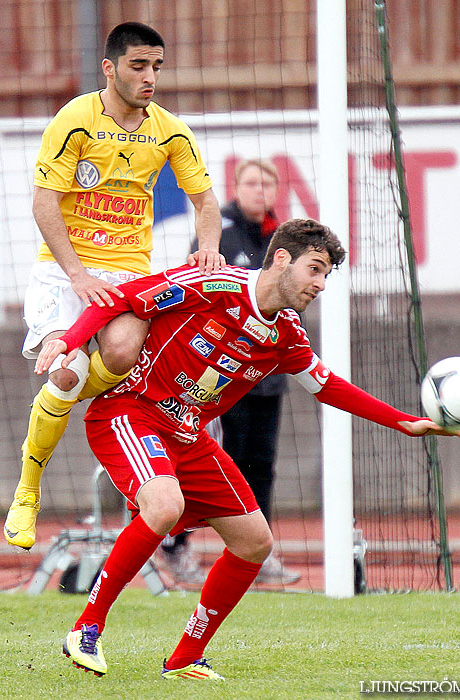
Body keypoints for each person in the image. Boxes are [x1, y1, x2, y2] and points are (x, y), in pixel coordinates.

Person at [35, 218, 460, 680]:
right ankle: (86, 629)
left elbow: (327, 387)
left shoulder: (286, 335)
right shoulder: (214, 284)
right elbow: (122, 299)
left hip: (186, 434)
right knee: (163, 506)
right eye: (314, 269)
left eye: (326, 276)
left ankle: (184, 659)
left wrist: (403, 422)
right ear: (281, 258)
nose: (319, 284)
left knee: (255, 541)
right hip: (130, 411)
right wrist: (68, 338)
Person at [3, 21, 224, 550]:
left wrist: (210, 247)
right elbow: (43, 203)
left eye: (157, 68)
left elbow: (207, 203)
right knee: (66, 370)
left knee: (122, 354)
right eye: (138, 66)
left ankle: (73, 396)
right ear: (110, 67)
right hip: (65, 270)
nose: (150, 78)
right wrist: (78, 274)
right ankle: (28, 489)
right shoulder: (75, 119)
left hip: (129, 273)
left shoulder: (170, 130)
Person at [168, 158, 297, 586]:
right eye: (251, 182)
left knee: (261, 466)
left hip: (266, 376)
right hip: (221, 377)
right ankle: (176, 547)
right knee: (213, 464)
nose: (260, 190)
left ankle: (256, 555)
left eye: (267, 183)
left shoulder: (282, 241)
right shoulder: (218, 232)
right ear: (236, 187)